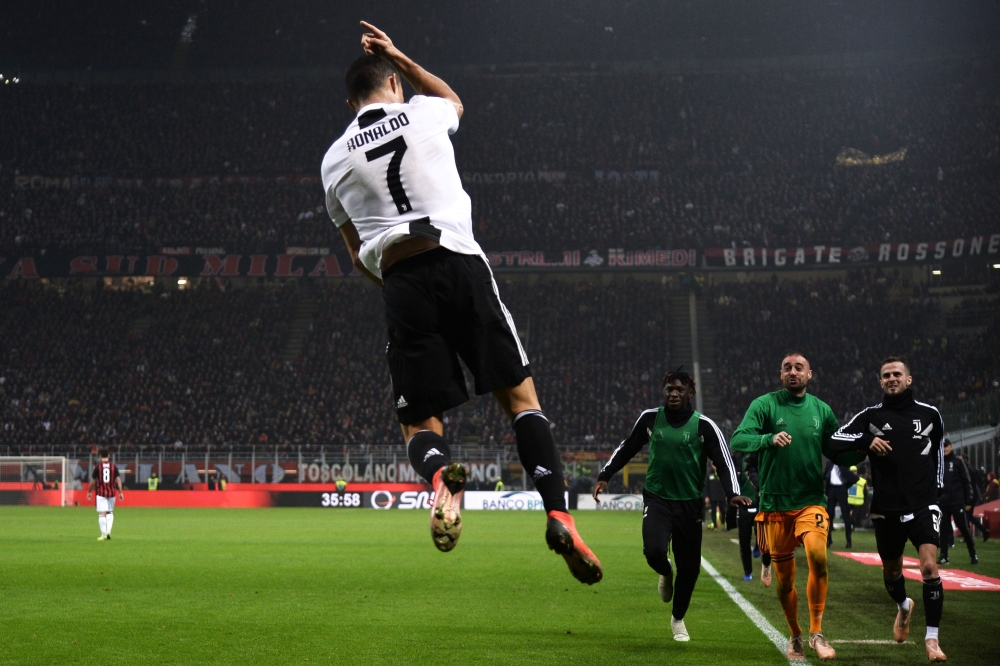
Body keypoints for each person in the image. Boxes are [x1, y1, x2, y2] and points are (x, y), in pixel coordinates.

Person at [320, 22, 600, 584]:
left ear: (350, 104)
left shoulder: (331, 162)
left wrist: (396, 285)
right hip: (456, 258)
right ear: (394, 84)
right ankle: (558, 513)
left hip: (400, 278)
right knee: (522, 403)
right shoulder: (424, 112)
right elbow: (454, 101)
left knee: (419, 420)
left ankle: (440, 482)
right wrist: (400, 52)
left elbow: (355, 256)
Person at [593, 368, 749, 641]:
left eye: (679, 389)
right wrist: (605, 475)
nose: (674, 394)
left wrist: (732, 492)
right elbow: (628, 447)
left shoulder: (704, 426)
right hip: (658, 498)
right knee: (654, 551)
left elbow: (724, 462)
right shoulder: (651, 418)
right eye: (669, 389)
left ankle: (678, 619)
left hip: (689, 504)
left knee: (689, 570)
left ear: (690, 392)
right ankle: (665, 571)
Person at [730, 352, 860, 661]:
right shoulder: (765, 405)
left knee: (817, 554)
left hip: (810, 502)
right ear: (780, 374)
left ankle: (816, 632)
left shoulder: (822, 411)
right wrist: (768, 439)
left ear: (809, 374)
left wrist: (866, 450)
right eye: (787, 367)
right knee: (785, 579)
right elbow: (738, 438)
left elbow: (837, 451)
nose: (793, 372)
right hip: (775, 505)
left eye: (798, 368)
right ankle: (796, 635)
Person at [830, 356, 948, 662]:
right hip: (886, 507)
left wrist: (938, 492)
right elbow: (835, 438)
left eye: (897, 374)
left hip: (924, 502)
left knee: (929, 568)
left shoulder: (930, 414)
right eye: (886, 375)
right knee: (892, 571)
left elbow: (938, 454)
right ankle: (903, 607)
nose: (892, 378)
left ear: (909, 379)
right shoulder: (870, 416)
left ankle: (932, 639)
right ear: (880, 382)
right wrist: (868, 439)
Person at [938, 439, 977, 565]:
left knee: (963, 527)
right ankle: (944, 556)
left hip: (957, 501)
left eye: (946, 446)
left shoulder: (958, 461)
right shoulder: (939, 462)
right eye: (942, 446)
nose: (944, 449)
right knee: (942, 528)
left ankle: (973, 553)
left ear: (951, 446)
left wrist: (969, 499)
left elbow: (967, 481)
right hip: (943, 502)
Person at [87, 448, 124, 541]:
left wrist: (89, 491)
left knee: (102, 514)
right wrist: (120, 492)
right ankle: (109, 531)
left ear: (100, 456)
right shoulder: (113, 467)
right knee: (110, 512)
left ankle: (103, 535)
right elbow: (118, 480)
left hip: (101, 493)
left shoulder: (97, 467)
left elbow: (93, 481)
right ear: (109, 456)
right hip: (111, 493)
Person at [824, 461, 860, 548]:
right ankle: (828, 540)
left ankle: (848, 541)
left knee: (845, 515)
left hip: (841, 489)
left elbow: (854, 478)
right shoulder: (829, 464)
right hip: (832, 490)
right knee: (829, 516)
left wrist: (845, 485)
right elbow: (825, 475)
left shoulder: (844, 464)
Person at [962, 455, 990, 542]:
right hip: (973, 495)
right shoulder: (972, 468)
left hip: (970, 496)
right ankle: (981, 531)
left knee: (967, 516)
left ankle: (983, 530)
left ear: (965, 460)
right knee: (967, 516)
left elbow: (969, 484)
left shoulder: (968, 470)